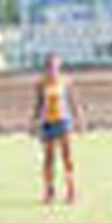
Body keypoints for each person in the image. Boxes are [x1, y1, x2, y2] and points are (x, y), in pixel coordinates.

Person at [31, 54, 87, 205]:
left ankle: (71, 191)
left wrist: (80, 120)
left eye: (55, 66)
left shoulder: (66, 82)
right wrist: (34, 123)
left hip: (64, 122)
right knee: (49, 159)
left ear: (59, 67)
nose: (52, 70)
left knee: (67, 157)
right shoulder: (41, 84)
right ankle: (49, 191)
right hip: (48, 123)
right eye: (49, 67)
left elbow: (74, 102)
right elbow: (38, 105)